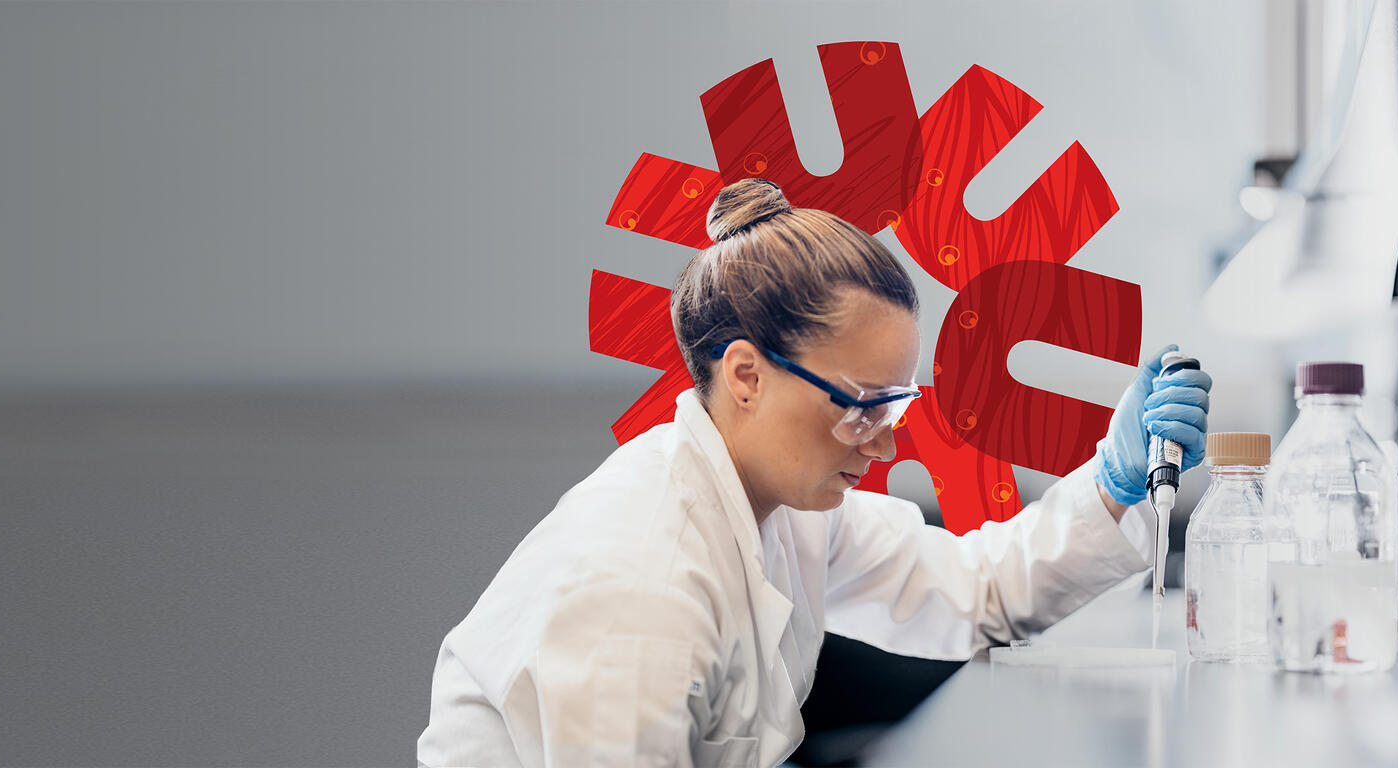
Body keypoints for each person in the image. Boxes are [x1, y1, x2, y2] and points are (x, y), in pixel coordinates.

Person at [417, 179, 1211, 767]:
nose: (883, 445)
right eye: (861, 404)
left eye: (893, 405)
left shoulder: (782, 506)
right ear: (746, 376)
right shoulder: (640, 582)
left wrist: (1112, 484)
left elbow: (977, 592)